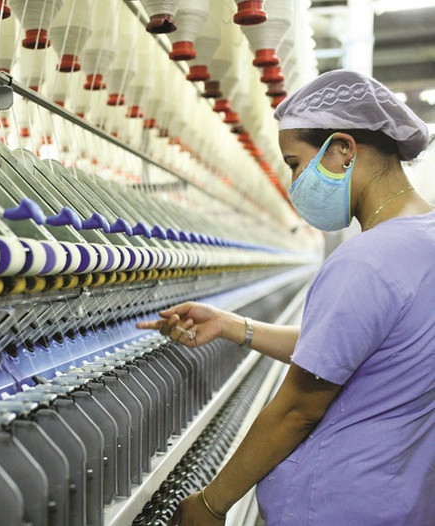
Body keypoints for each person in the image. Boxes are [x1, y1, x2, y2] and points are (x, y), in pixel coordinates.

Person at [138, 69, 435, 525]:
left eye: (295, 163)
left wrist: (212, 504)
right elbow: (356, 348)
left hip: (337, 506)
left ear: (342, 150)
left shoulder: (366, 260)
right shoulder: (423, 240)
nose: (296, 181)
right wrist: (233, 325)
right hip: (396, 497)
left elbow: (297, 409)